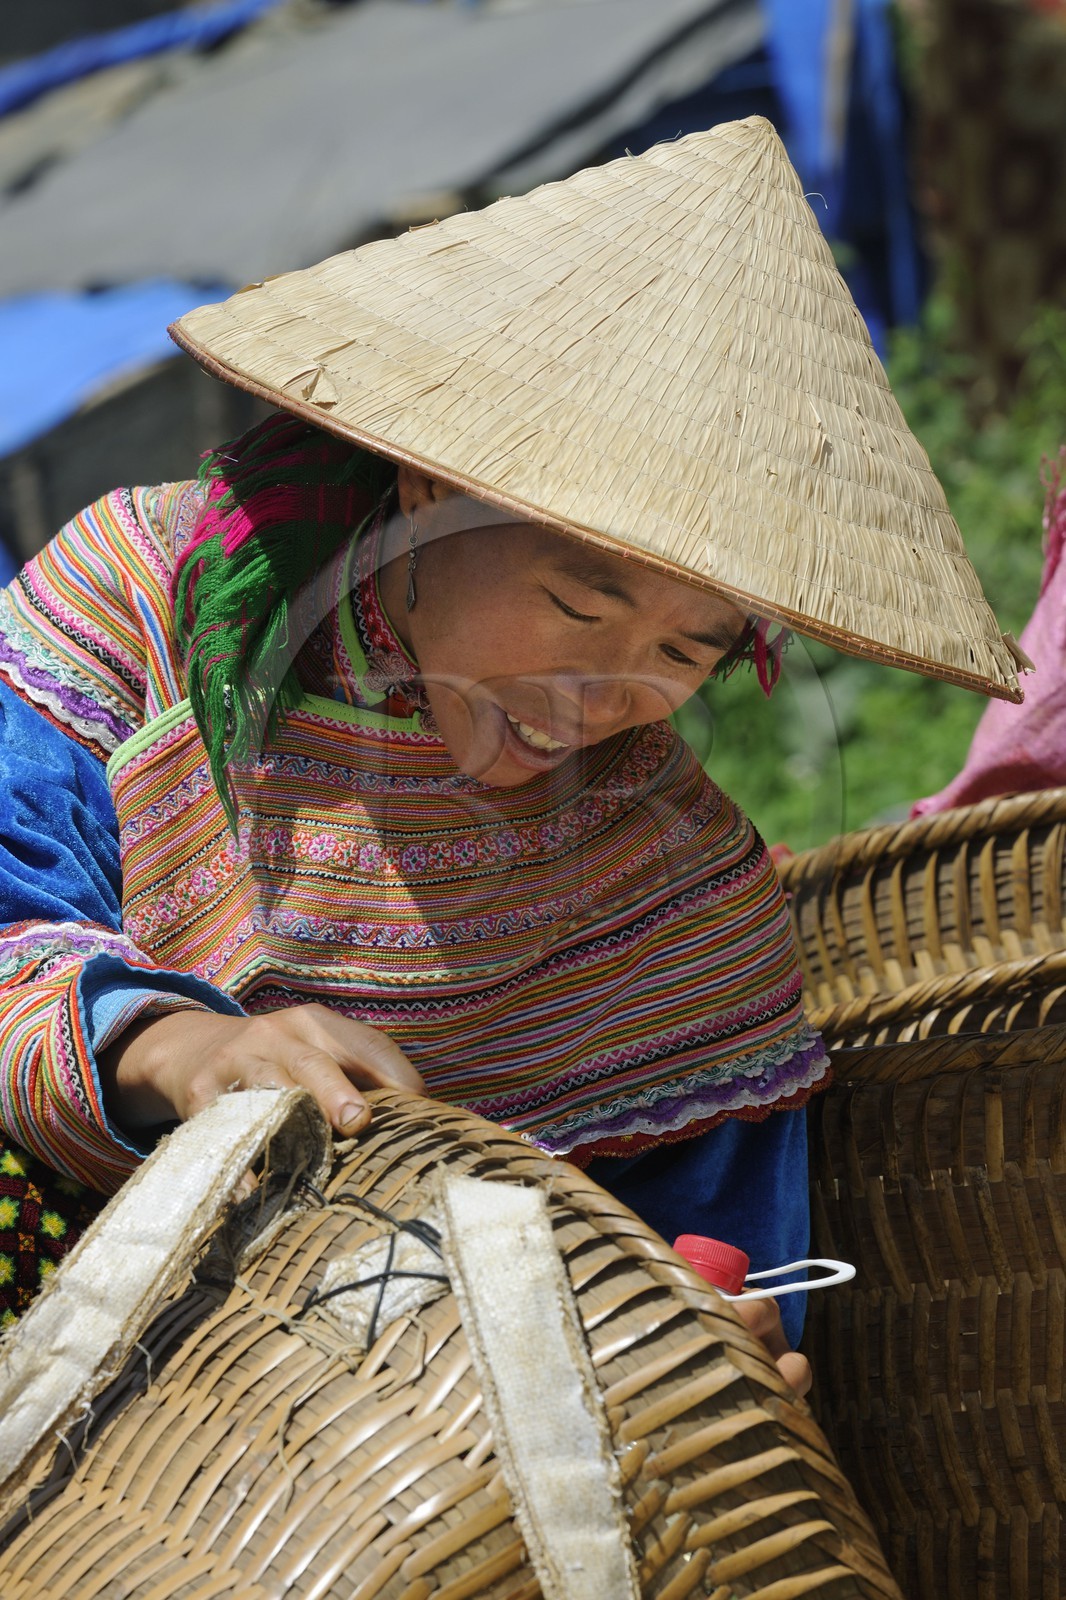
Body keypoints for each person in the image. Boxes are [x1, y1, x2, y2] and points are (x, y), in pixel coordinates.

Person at [0, 119, 1021, 1383]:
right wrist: (170, 1044)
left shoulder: (673, 895)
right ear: (431, 485)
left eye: (686, 652)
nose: (609, 691)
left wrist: (704, 1334)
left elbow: (713, 1248)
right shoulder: (141, 608)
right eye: (580, 605)